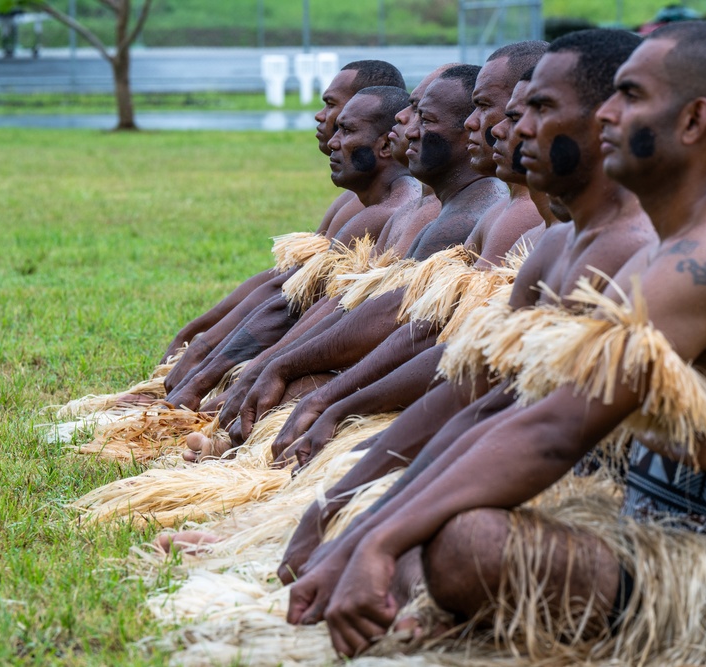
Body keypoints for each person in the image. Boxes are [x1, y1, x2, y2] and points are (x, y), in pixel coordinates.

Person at [288, 22, 706, 664]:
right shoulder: (662, 247)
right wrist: (363, 516)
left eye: (629, 97)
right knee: (439, 539)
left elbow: (551, 431)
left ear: (692, 122)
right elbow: (491, 399)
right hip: (671, 521)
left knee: (464, 546)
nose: (608, 117)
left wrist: (371, 540)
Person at [277, 28, 656, 577]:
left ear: (611, 120)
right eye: (513, 110)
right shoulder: (556, 242)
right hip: (560, 466)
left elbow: (542, 428)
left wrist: (380, 527)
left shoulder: (643, 250)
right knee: (397, 513)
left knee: (455, 545)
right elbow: (476, 382)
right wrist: (345, 491)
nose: (513, 128)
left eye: (539, 109)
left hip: (675, 525)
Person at [180, 64, 509, 455]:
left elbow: (418, 330)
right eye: (411, 111)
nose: (405, 123)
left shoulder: (461, 216)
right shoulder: (433, 211)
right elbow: (326, 298)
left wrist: (307, 387)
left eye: (424, 114)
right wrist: (250, 361)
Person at [161, 60, 407, 381]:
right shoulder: (357, 198)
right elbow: (287, 283)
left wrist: (237, 362)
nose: (322, 118)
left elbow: (298, 299)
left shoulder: (388, 207)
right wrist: (199, 338)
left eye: (333, 107)